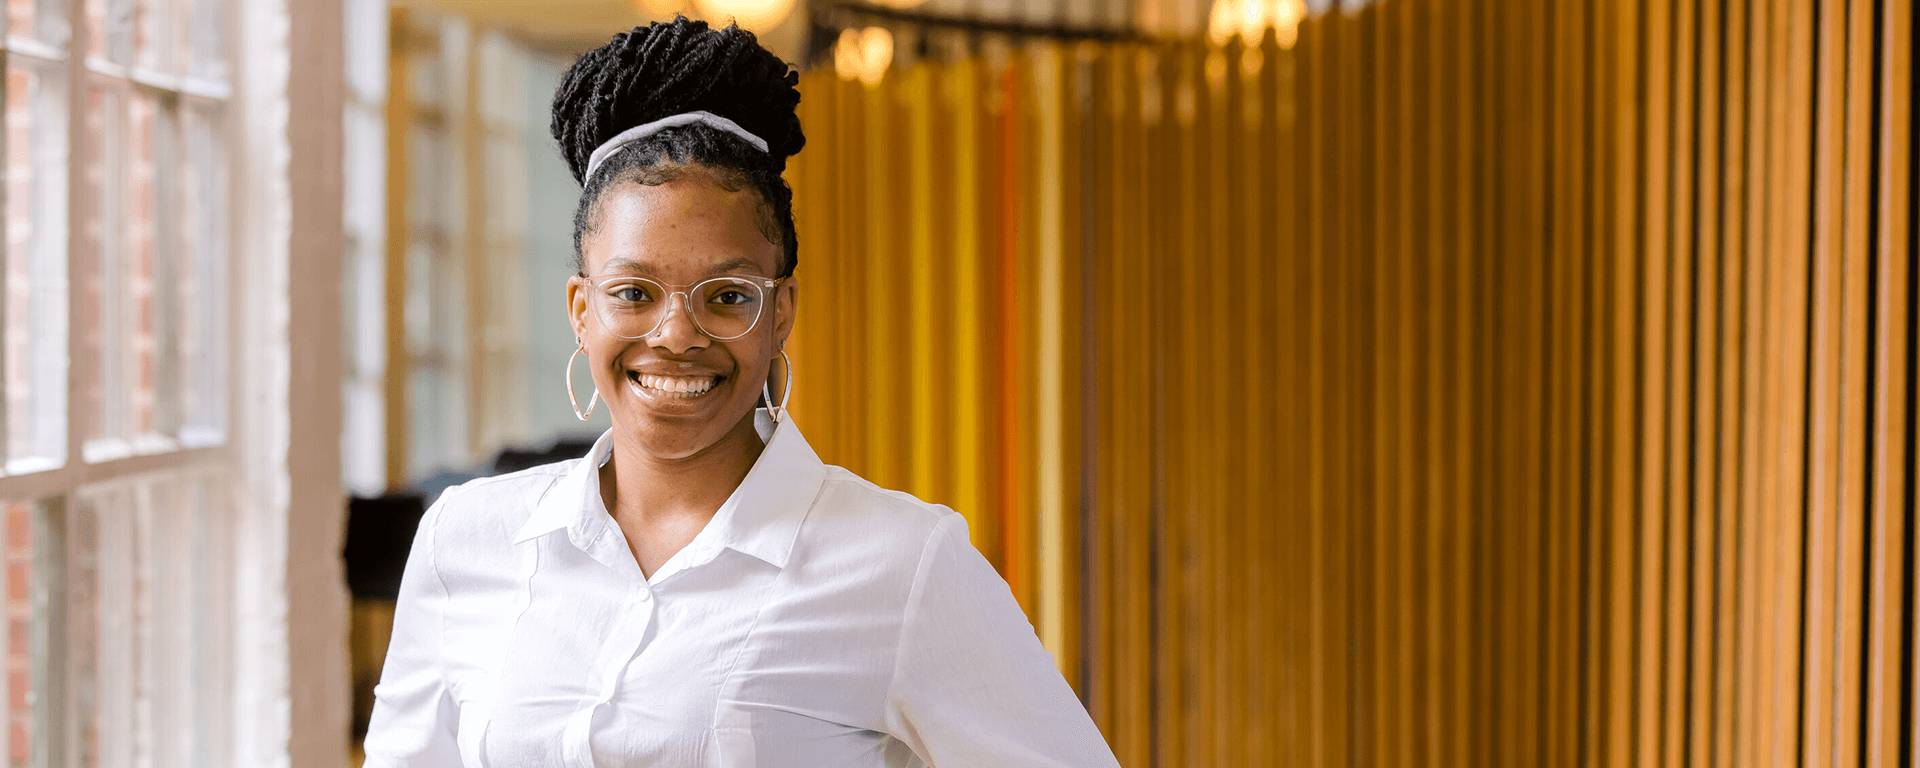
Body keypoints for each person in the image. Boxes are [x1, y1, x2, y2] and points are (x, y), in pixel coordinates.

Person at [361, 18, 1122, 768]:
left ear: (781, 313)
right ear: (581, 311)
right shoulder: (465, 540)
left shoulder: (901, 564)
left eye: (726, 296)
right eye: (633, 292)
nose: (677, 335)